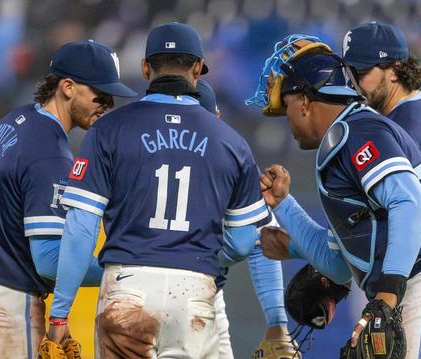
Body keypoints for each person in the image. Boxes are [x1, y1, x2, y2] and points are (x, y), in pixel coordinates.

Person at [247, 35, 421, 358]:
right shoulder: (346, 139)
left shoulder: (356, 130)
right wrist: (284, 205)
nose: (289, 121)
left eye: (288, 107)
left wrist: (385, 299)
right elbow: (337, 264)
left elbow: (409, 201)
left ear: (305, 102)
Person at [46, 22, 268, 358]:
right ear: (197, 69)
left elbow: (81, 229)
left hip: (128, 287)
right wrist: (197, 254)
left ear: (146, 68)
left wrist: (60, 311)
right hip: (195, 288)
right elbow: (240, 243)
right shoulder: (232, 142)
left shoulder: (109, 130)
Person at [0, 39, 136, 358]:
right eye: (100, 93)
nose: (108, 103)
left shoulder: (12, 121)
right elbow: (49, 262)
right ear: (68, 87)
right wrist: (121, 271)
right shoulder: (51, 153)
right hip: (2, 305)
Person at [197, 78, 300, 359]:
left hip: (137, 289)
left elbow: (260, 237)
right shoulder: (229, 156)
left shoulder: (134, 144)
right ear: (217, 117)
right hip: (196, 295)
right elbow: (257, 238)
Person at [343, 21, 421, 234]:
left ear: (395, 70)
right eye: (348, 75)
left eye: (360, 73)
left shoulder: (395, 130)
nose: (352, 84)